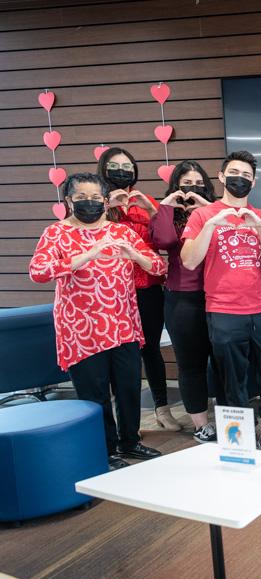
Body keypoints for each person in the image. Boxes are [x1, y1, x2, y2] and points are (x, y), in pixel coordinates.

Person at [29, 172, 167, 470]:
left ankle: (130, 441)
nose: (89, 204)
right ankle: (105, 450)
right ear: (68, 201)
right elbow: (38, 272)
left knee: (129, 387)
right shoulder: (56, 233)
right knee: (95, 394)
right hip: (81, 330)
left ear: (106, 202)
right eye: (81, 198)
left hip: (123, 324)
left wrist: (135, 255)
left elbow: (158, 266)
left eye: (95, 199)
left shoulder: (122, 232)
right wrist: (86, 255)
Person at [180, 150, 261, 446]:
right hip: (224, 310)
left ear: (254, 182)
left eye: (247, 176)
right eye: (234, 173)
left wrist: (259, 227)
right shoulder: (202, 215)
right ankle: (242, 435)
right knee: (233, 377)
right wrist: (213, 224)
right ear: (222, 177)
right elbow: (189, 260)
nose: (240, 179)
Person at [97, 146, 181, 432]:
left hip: (148, 286)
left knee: (151, 349)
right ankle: (112, 417)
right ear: (104, 171)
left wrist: (152, 209)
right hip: (111, 290)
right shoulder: (96, 204)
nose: (123, 171)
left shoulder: (145, 203)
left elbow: (164, 241)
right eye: (115, 166)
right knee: (117, 353)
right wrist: (107, 207)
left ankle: (161, 407)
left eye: (128, 166)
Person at [149, 161, 227, 441]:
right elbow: (165, 241)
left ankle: (229, 421)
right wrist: (167, 206)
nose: (191, 190)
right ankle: (201, 425)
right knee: (191, 364)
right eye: (185, 185)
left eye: (198, 185)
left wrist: (206, 208)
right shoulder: (167, 214)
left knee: (223, 363)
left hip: (219, 295)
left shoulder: (218, 212)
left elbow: (226, 238)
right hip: (182, 299)